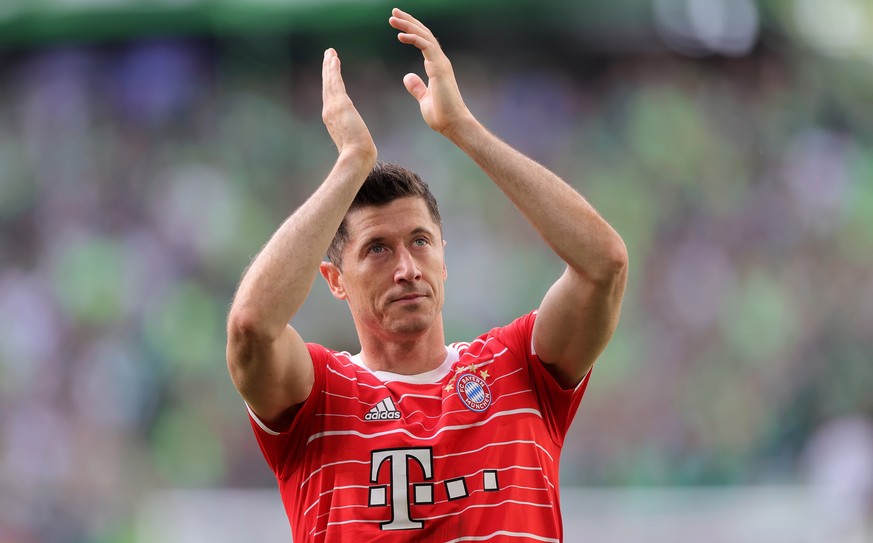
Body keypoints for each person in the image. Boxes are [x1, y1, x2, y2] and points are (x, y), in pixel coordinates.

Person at [226, 7, 628, 542]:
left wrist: (464, 130)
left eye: (420, 242)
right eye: (377, 250)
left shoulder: (517, 369)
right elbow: (251, 327)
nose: (407, 269)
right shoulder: (319, 396)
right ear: (334, 278)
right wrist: (351, 162)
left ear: (445, 256)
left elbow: (605, 266)